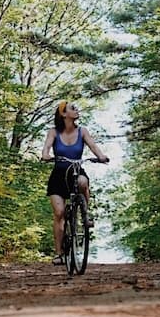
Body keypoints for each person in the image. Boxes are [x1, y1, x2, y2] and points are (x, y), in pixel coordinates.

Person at [41, 100, 109, 265]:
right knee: (59, 213)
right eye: (72, 108)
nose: (76, 109)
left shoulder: (82, 131)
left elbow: (93, 146)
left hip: (76, 170)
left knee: (83, 182)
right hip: (58, 175)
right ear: (64, 114)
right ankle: (59, 254)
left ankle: (85, 214)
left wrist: (101, 156)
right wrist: (45, 155)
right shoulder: (54, 132)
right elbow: (46, 148)